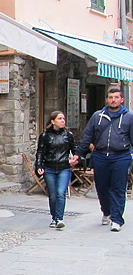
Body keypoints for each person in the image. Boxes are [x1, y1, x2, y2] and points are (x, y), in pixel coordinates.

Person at [70, 87, 133, 232]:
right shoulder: (97, 116)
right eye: (111, 97)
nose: (113, 100)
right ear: (107, 99)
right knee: (102, 187)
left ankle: (117, 219)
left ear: (121, 100)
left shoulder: (129, 117)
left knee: (118, 188)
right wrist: (78, 154)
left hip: (121, 156)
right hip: (100, 156)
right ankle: (107, 211)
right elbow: (87, 136)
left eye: (116, 97)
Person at [35, 111, 77, 229]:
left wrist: (76, 158)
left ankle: (59, 218)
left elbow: (74, 148)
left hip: (64, 167)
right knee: (52, 195)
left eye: (63, 118)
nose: (63, 121)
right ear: (53, 121)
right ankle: (54, 217)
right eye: (59, 119)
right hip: (49, 167)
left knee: (60, 193)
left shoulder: (68, 135)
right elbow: (40, 152)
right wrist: (39, 166)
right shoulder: (45, 136)